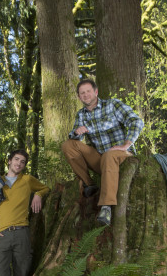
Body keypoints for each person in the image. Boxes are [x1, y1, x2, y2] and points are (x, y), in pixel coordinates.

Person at [61, 78, 144, 226]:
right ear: (79, 97)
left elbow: (136, 121)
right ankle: (89, 184)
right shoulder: (81, 115)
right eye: (82, 93)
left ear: (96, 92)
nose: (86, 95)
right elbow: (74, 137)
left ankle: (106, 207)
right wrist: (77, 132)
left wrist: (126, 144)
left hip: (122, 156)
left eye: (88, 91)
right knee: (68, 145)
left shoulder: (113, 105)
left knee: (109, 154)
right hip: (102, 160)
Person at [0, 150, 49, 276]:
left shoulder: (27, 180)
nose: (19, 163)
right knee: (1, 273)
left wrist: (38, 194)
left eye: (22, 162)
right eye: (16, 159)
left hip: (22, 233)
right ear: (9, 161)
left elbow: (45, 188)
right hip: (2, 235)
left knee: (21, 274)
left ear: (24, 165)